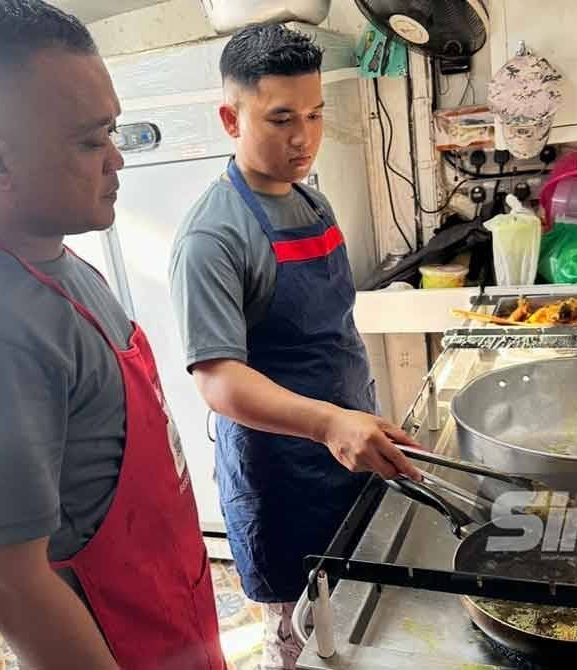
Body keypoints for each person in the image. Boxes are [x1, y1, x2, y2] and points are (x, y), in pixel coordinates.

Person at [0, 2, 225, 668]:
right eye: (88, 141)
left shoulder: (55, 258)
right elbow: (10, 585)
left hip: (174, 621)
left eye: (111, 131)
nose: (116, 160)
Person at [170, 23, 423, 669]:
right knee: (303, 639)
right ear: (232, 117)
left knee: (357, 622)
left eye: (313, 115)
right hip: (282, 480)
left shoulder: (312, 201)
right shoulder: (213, 236)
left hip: (346, 450)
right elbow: (219, 379)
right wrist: (330, 421)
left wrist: (355, 414)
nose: (303, 137)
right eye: (281, 118)